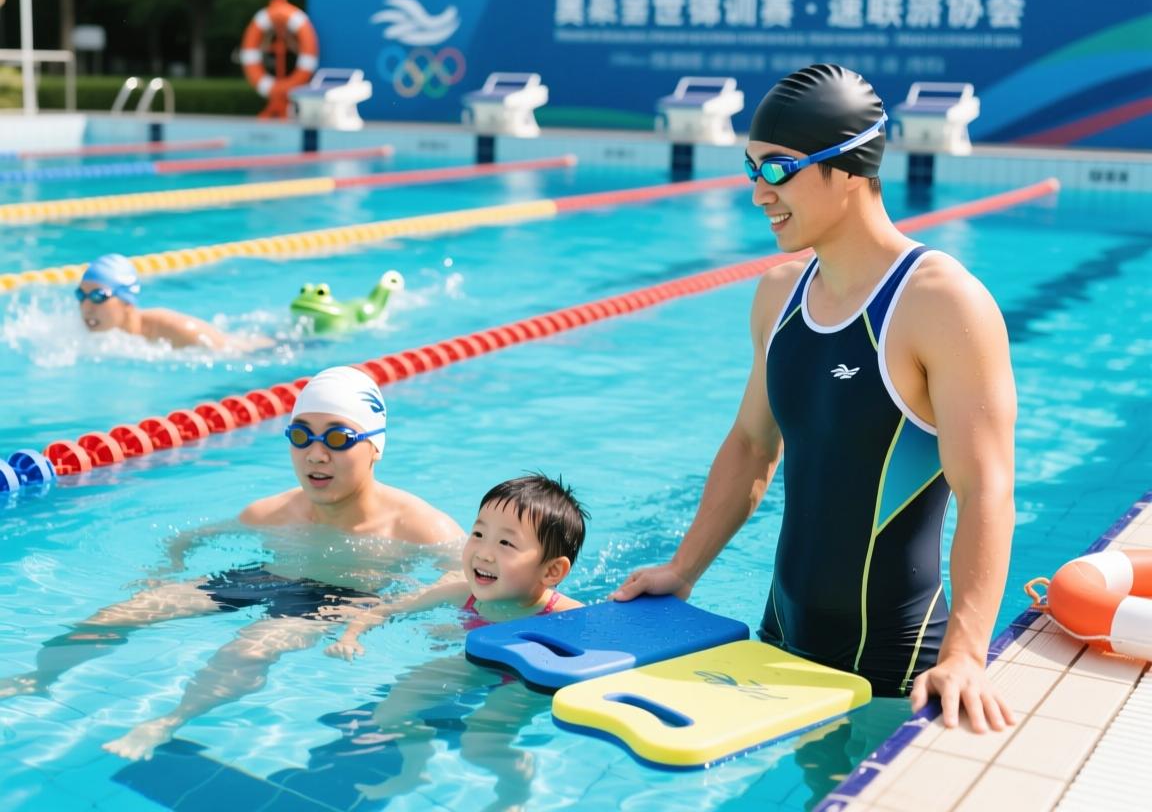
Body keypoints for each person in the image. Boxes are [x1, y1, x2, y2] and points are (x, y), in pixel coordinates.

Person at [612, 64, 1017, 734]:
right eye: (751, 172)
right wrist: (682, 570)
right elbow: (751, 445)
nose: (759, 194)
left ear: (850, 166)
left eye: (778, 171)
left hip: (896, 670)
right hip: (781, 646)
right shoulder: (779, 294)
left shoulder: (939, 303)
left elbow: (988, 489)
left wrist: (966, 655)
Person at [0, 365, 464, 761]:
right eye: (301, 435)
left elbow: (468, 574)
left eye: (339, 437)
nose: (316, 454)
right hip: (265, 576)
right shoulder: (273, 512)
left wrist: (407, 609)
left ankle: (169, 720)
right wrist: (162, 573)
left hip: (337, 599)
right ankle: (40, 677)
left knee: (246, 650)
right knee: (125, 612)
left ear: (375, 446)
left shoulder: (419, 526)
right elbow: (190, 537)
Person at [324, 473, 586, 810]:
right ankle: (415, 767)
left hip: (524, 679)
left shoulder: (564, 614)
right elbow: (386, 610)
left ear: (550, 572)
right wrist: (350, 636)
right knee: (392, 710)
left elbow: (612, 646)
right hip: (476, 660)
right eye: (478, 534)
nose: (484, 553)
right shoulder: (462, 591)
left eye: (505, 544)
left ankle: (515, 785)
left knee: (479, 744)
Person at [76, 252, 270, 350]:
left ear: (127, 301)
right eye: (81, 295)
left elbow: (231, 352)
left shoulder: (177, 331)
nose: (86, 307)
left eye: (98, 296)